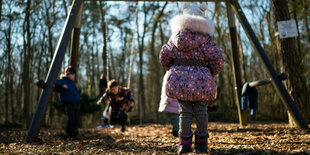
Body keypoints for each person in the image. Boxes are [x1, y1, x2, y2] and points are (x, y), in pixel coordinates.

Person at [159, 3, 224, 154]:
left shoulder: (175, 37)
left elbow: (164, 55)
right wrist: (209, 73)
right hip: (202, 79)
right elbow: (218, 60)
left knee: (184, 111)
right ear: (201, 18)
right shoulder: (207, 39)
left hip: (180, 80)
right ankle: (201, 144)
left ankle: (184, 144)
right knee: (202, 111)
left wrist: (172, 69)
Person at [55, 66, 81, 140]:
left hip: (76, 102)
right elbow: (56, 82)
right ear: (67, 75)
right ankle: (69, 132)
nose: (73, 76)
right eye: (72, 75)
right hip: (69, 102)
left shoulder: (72, 83)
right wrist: (62, 85)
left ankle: (75, 134)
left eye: (74, 75)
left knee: (76, 119)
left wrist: (78, 99)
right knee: (71, 119)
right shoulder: (63, 80)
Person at [158, 71, 179, 137]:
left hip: (173, 100)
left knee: (175, 118)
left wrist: (168, 98)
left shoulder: (172, 73)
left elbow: (172, 87)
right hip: (173, 100)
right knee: (175, 118)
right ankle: (177, 131)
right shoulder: (171, 72)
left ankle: (176, 132)